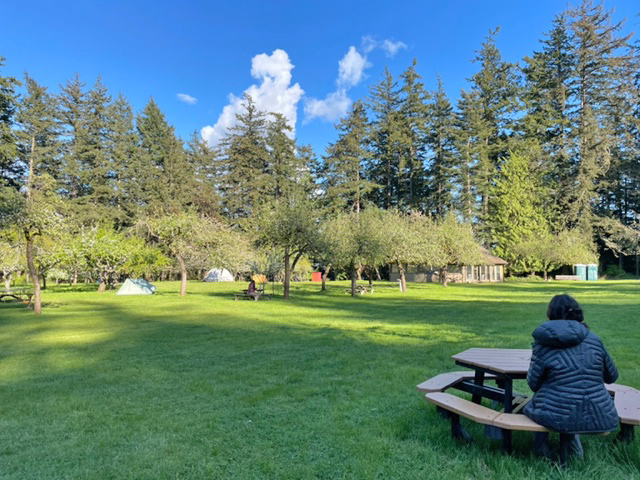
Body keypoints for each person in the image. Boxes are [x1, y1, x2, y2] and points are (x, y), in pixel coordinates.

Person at [524, 294, 619, 462]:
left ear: (551, 313)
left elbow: (533, 384)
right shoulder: (594, 339)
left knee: (534, 404)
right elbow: (612, 376)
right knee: (569, 404)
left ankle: (541, 454)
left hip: (558, 413)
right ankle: (574, 456)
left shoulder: (543, 343)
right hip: (600, 412)